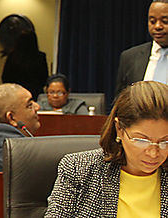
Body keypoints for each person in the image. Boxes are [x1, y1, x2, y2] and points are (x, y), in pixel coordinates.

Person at [46, 81, 168, 217]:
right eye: (141, 140)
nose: (153, 153)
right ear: (119, 129)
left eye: (165, 142)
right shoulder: (78, 169)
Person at [0, 83, 40, 171]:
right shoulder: (2, 142)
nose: (37, 107)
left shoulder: (0, 134)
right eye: (29, 105)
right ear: (11, 118)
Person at [116, 0, 168, 93]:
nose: (157, 26)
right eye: (152, 21)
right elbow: (120, 102)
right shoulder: (130, 57)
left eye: (165, 21)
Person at [2, 30, 49, 99]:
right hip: (34, 93)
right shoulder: (40, 56)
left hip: (15, 92)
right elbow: (44, 77)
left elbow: (5, 77)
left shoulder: (12, 56)